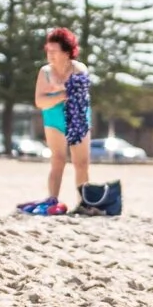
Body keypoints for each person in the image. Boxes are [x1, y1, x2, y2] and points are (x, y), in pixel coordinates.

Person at [18, 28, 92, 216]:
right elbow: (40, 101)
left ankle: (84, 202)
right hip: (53, 117)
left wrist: (57, 93)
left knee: (81, 162)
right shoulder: (45, 72)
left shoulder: (79, 68)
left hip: (78, 117)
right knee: (58, 159)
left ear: (67, 52)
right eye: (48, 50)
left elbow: (79, 93)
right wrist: (63, 93)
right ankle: (52, 199)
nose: (49, 54)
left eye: (54, 51)